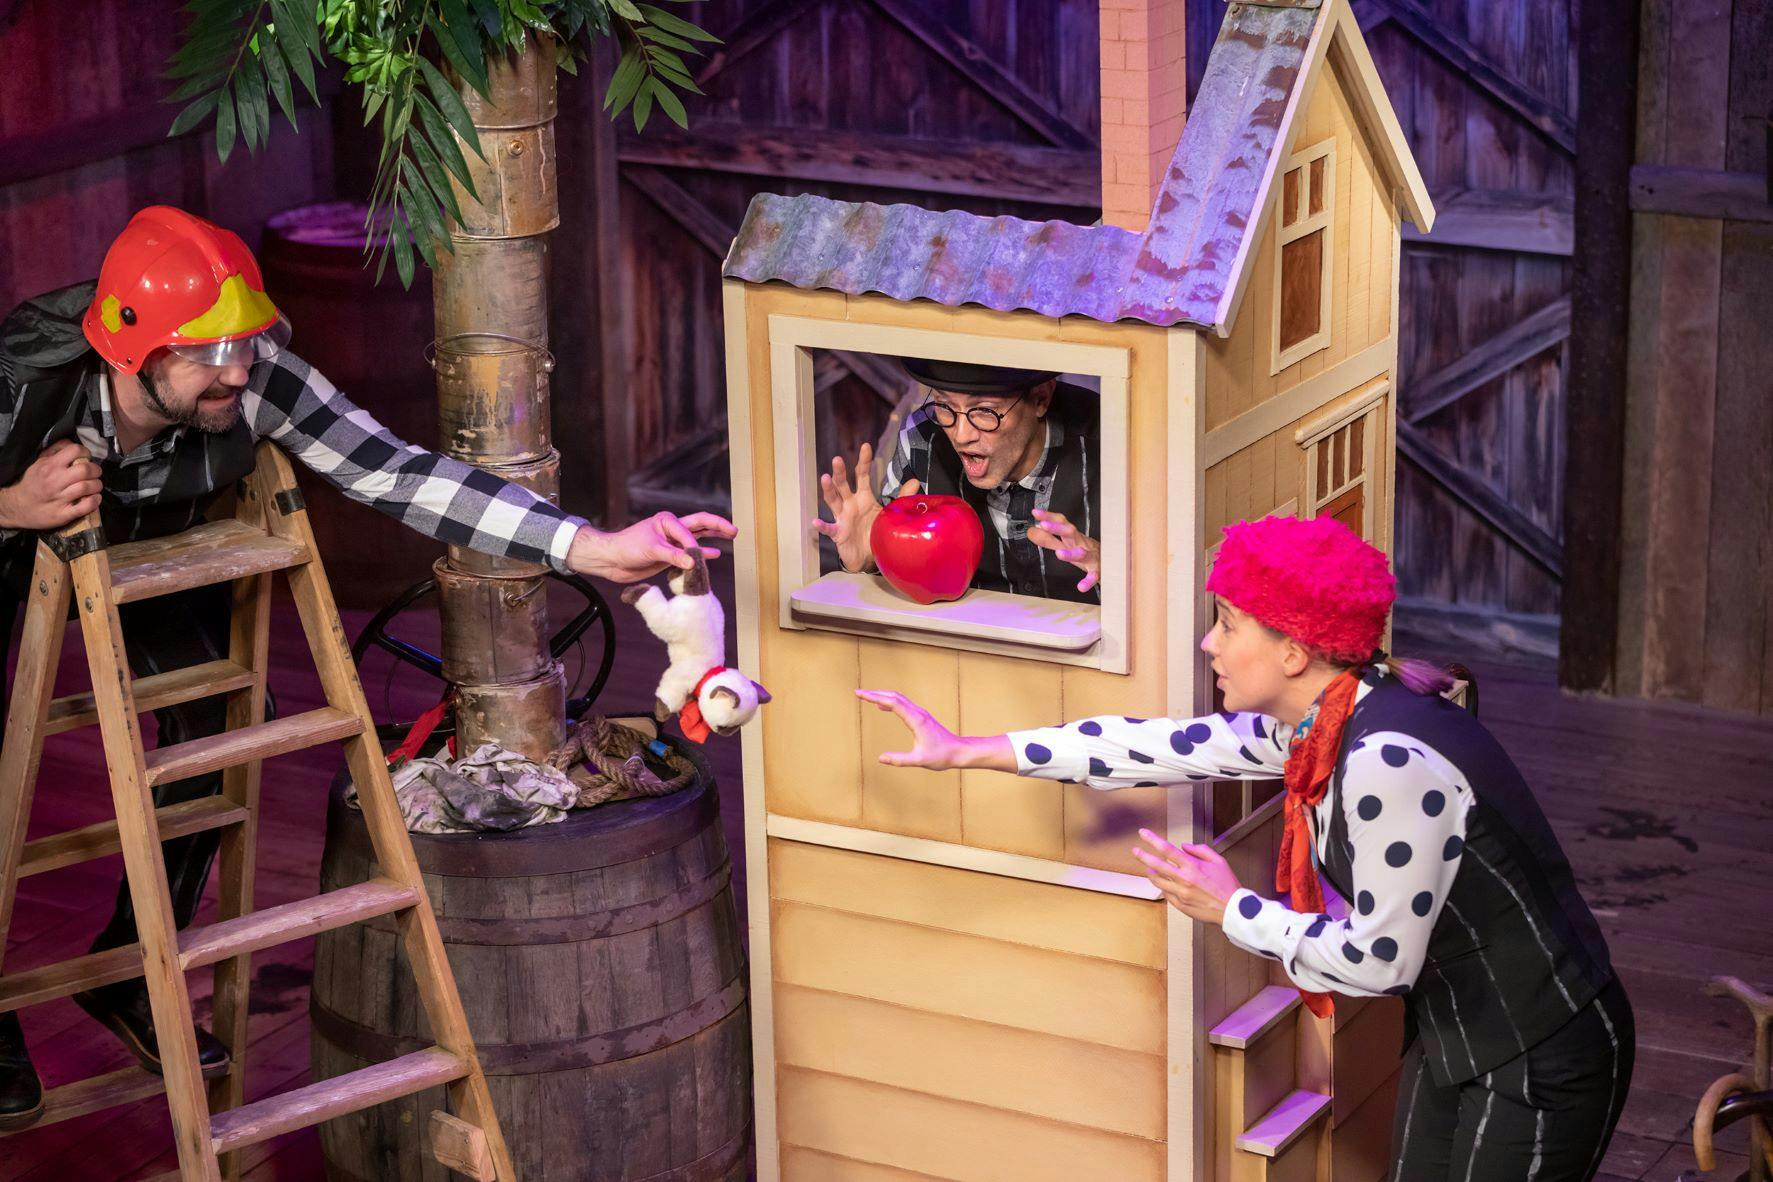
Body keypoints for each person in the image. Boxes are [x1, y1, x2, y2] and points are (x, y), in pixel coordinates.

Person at [0, 206, 735, 1129]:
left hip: (136, 547)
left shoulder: (253, 378)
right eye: (209, 353)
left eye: (244, 344)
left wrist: (591, 546)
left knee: (224, 716)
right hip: (10, 535)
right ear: (130, 348)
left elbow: (399, 474)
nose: (238, 370)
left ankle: (129, 970)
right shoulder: (23, 387)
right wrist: (12, 503)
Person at [857, 514, 1633, 1180]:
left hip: (1542, 1048)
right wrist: (968, 750)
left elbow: (1378, 962)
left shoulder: (1386, 761)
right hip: (1456, 1030)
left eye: (1228, 623)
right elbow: (1153, 746)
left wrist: (1232, 908)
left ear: (1292, 651)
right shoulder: (1322, 721)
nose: (1209, 643)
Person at [816, 357, 1101, 603]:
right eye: (944, 405)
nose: (962, 435)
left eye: (985, 411)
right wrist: (871, 558)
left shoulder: (1107, 440)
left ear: (1040, 399)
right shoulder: (922, 440)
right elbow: (901, 595)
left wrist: (1114, 567)